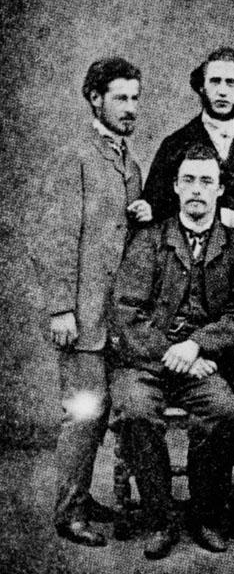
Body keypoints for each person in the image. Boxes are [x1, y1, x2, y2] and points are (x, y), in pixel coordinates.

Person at [109, 144, 234, 559]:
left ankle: (205, 515)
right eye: (188, 180)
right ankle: (160, 519)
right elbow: (126, 313)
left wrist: (197, 345)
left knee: (222, 410)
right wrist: (173, 354)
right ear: (175, 187)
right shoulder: (149, 239)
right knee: (136, 410)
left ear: (220, 189)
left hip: (202, 363)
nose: (197, 189)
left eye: (206, 181)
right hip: (146, 364)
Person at [31, 57, 151, 547]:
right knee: (83, 413)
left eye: (135, 98)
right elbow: (54, 236)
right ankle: (69, 513)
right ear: (95, 99)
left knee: (100, 414)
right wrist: (60, 307)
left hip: (115, 318)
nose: (130, 107)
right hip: (81, 316)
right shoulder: (75, 155)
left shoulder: (130, 164)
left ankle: (80, 496)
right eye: (121, 98)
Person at [143, 47, 234, 240]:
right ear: (202, 87)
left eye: (231, 83)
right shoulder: (175, 144)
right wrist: (220, 215)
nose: (222, 91)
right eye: (215, 81)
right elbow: (156, 207)